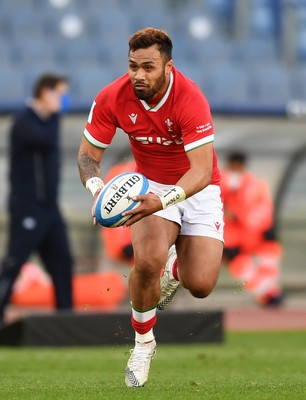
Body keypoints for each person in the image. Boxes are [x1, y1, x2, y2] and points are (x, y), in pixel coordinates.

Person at [77, 28, 224, 387]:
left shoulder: (190, 98)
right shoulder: (113, 96)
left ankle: (176, 268)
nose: (139, 75)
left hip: (198, 187)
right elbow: (87, 155)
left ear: (168, 67)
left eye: (148, 67)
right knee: (146, 260)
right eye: (133, 67)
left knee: (201, 284)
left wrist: (166, 198)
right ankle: (143, 343)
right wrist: (97, 190)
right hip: (149, 186)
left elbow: (202, 171)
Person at [0, 73, 73, 324]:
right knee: (14, 262)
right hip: (27, 207)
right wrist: (53, 114)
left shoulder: (51, 120)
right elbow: (44, 140)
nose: (63, 101)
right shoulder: (25, 121)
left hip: (50, 208)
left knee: (63, 263)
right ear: (45, 92)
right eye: (60, 94)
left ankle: (67, 321)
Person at [221, 152, 282, 305]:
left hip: (255, 232)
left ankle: (270, 292)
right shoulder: (219, 183)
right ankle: (266, 294)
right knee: (241, 266)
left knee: (269, 256)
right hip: (232, 237)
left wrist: (268, 227)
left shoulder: (256, 184)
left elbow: (264, 207)